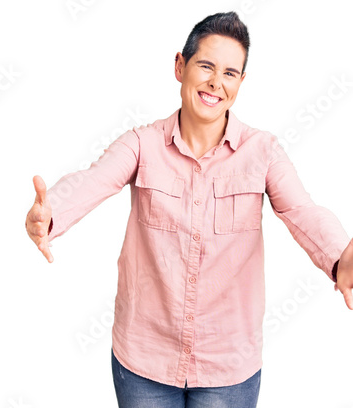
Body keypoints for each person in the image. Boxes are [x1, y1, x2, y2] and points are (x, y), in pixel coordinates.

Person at [25, 11, 353, 408]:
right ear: (180, 66)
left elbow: (303, 211)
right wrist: (51, 214)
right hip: (144, 361)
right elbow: (94, 180)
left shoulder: (262, 151)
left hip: (228, 368)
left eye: (230, 73)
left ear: (241, 83)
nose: (216, 82)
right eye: (206, 66)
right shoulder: (142, 144)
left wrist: (340, 257)